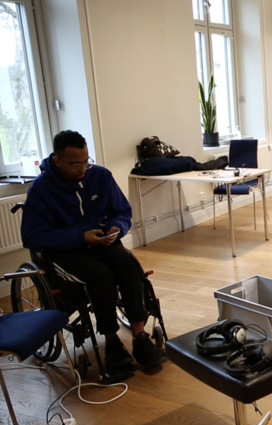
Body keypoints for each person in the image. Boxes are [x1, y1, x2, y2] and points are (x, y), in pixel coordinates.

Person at [21, 130, 166, 370]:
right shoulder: (41, 188)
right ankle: (111, 342)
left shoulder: (100, 176)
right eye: (75, 164)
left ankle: (140, 336)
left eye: (85, 161)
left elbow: (122, 212)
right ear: (57, 161)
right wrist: (80, 237)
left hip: (102, 242)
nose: (82, 169)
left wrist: (116, 228)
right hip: (66, 252)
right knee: (100, 276)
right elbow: (32, 236)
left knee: (129, 266)